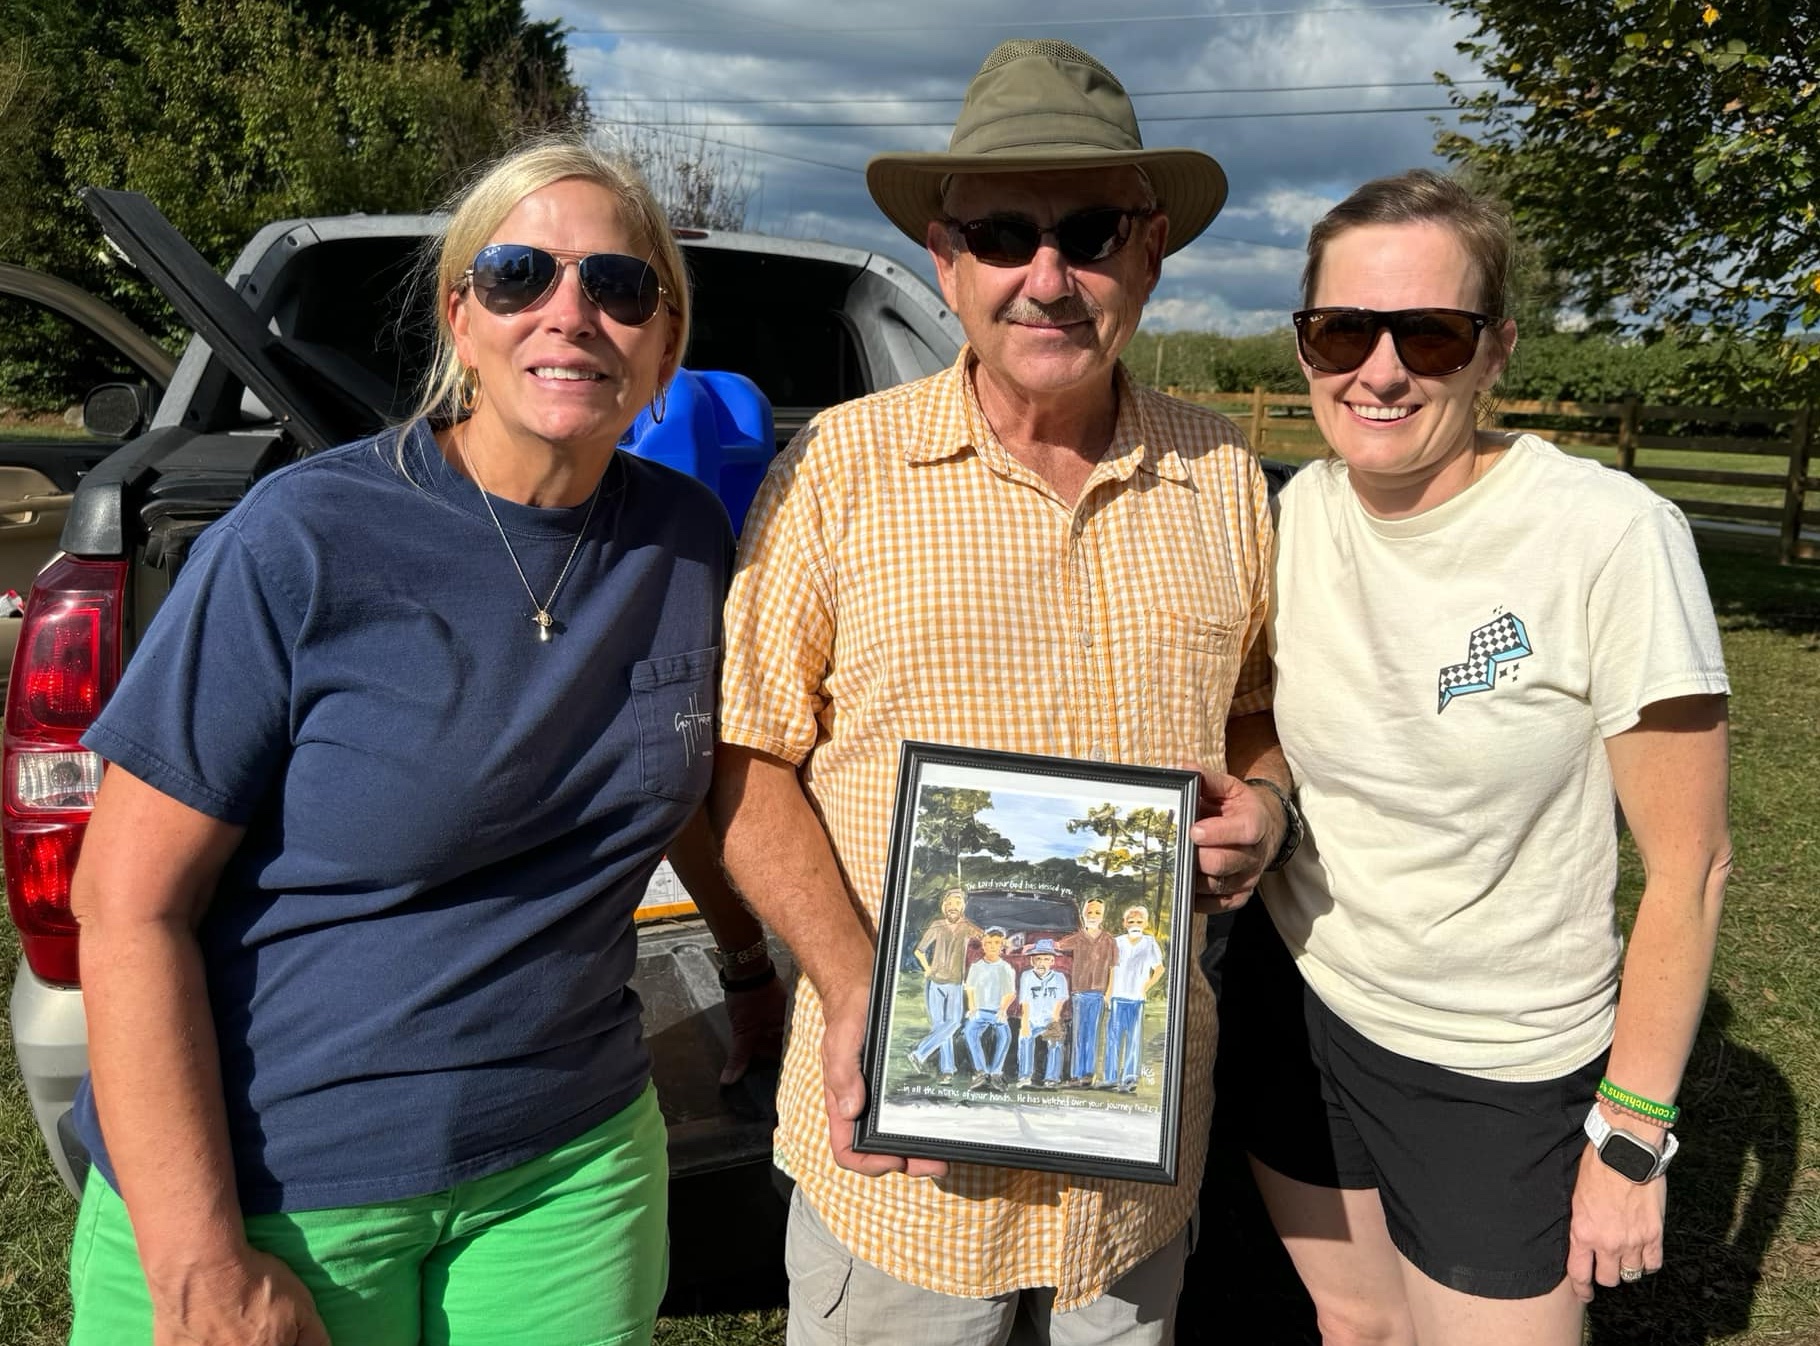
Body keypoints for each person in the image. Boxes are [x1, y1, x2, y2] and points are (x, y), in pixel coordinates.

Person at [62, 136, 781, 1346]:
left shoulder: (687, 538)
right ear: (461, 316)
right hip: (275, 1175)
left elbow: (697, 778)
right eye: (519, 276)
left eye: (617, 287)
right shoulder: (301, 539)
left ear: (664, 342)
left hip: (569, 1165)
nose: (570, 315)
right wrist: (197, 1261)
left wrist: (749, 969)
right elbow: (125, 902)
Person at [711, 37, 1294, 1343]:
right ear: (944, 258)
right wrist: (858, 985)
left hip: (1134, 1168)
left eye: (1089, 232)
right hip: (909, 1174)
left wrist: (1263, 801)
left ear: (1149, 252)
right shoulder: (840, 471)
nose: (1049, 275)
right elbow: (744, 762)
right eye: (1003, 234)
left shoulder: (1227, 479)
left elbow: (1259, 712)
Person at [1226, 168, 1731, 1346]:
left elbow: (1689, 866)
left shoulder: (1605, 537)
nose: (1381, 367)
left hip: (1495, 1058)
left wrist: (1630, 1129)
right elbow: (1269, 714)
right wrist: (1261, 791)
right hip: (1298, 990)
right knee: (1352, 1321)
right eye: (1342, 328)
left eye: (1431, 333)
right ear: (1304, 343)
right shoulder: (1294, 514)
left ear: (1493, 349)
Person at [910, 887, 983, 1080]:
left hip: (956, 983)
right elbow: (919, 951)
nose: (953, 907)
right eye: (950, 903)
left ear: (963, 907)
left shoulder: (967, 926)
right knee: (940, 1026)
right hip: (935, 983)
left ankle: (919, 1053)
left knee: (953, 1023)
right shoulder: (937, 925)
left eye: (957, 903)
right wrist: (927, 969)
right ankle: (947, 1071)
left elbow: (985, 938)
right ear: (944, 907)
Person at [1101, 906, 1166, 1094]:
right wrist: (1108, 992)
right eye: (1131, 921)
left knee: (1133, 1038)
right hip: (1117, 996)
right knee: (1113, 1037)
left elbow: (1159, 969)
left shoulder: (1150, 942)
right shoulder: (1117, 942)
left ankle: (1129, 1078)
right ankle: (1110, 1077)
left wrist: (1146, 986)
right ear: (1124, 923)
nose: (1135, 925)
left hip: (1136, 998)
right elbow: (1111, 968)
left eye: (1139, 922)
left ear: (1145, 924)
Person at [1058, 896, 1117, 1086]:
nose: (1092, 916)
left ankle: (1087, 1074)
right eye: (1089, 912)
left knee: (1092, 1034)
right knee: (1078, 1034)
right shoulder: (1077, 937)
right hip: (1079, 992)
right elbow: (1057, 945)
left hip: (1098, 993)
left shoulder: (1109, 940)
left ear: (1103, 916)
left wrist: (1109, 993)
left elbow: (1113, 968)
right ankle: (1075, 1074)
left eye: (1097, 912)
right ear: (1083, 914)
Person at [963, 927, 1019, 1091]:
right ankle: (981, 1071)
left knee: (1005, 1035)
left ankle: (995, 1072)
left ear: (1002, 945)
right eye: (988, 943)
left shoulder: (1005, 968)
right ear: (983, 945)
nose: (992, 946)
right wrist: (972, 1008)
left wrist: (1002, 1010)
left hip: (997, 1011)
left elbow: (1010, 993)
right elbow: (970, 988)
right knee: (970, 1032)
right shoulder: (976, 966)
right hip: (980, 1010)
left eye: (996, 943)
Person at [1017, 939, 1071, 1088]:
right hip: (1032, 1018)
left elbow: (1060, 1000)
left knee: (1056, 1040)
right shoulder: (1026, 976)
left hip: (1050, 1018)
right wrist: (1025, 1022)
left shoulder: (1059, 977)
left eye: (1046, 959)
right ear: (1032, 960)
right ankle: (1025, 1076)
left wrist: (1054, 1019)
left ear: (1052, 961)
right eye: (1038, 958)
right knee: (1024, 1037)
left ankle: (1051, 1078)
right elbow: (1025, 1001)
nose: (1042, 962)